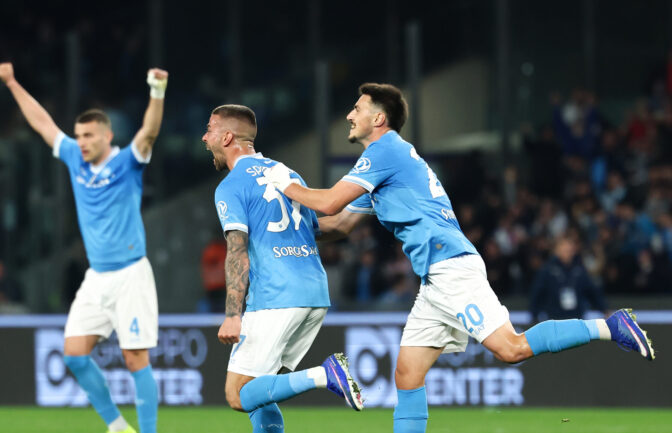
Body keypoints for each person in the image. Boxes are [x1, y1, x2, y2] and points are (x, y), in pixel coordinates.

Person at [263, 83, 655, 433]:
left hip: (450, 266)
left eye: (357, 108)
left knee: (511, 349)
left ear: (378, 118)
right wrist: (277, 231)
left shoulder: (385, 151)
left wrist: (287, 186)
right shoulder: (387, 164)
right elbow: (340, 223)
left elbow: (329, 201)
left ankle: (610, 327)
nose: (349, 115)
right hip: (435, 279)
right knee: (407, 374)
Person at [0, 62, 168, 433]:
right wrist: (12, 83)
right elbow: (42, 123)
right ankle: (118, 426)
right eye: (78, 135)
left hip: (131, 274)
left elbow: (149, 131)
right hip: (97, 278)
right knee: (74, 354)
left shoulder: (126, 162)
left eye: (88, 135)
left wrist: (156, 91)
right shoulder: (74, 158)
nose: (82, 142)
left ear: (106, 136)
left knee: (135, 358)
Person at [203, 104, 363, 433]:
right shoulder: (287, 174)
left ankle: (324, 374)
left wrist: (233, 314)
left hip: (275, 295)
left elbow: (236, 250)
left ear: (228, 136)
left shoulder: (231, 186)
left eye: (210, 130)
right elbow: (322, 229)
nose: (205, 138)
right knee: (262, 390)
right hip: (314, 293)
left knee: (238, 394)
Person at [529, 236, 607, 321]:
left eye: (569, 250)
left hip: (576, 318)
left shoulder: (579, 270)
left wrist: (604, 309)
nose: (567, 253)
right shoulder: (547, 270)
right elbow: (537, 293)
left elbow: (592, 292)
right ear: (557, 250)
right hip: (554, 319)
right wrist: (534, 314)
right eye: (564, 250)